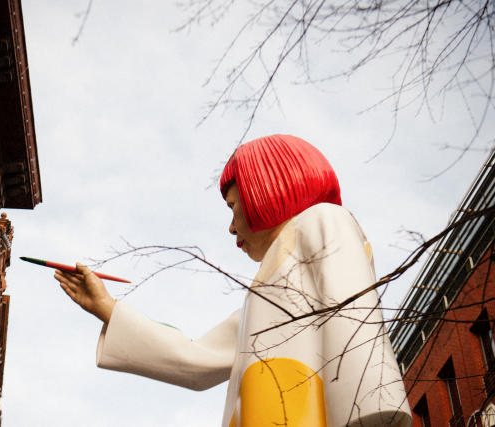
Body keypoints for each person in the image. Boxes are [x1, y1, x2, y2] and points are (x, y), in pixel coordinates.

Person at [55, 134, 412, 427]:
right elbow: (197, 358)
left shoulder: (324, 220)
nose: (230, 226)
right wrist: (108, 308)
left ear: (265, 186)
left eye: (231, 205)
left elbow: (352, 317)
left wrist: (373, 410)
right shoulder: (265, 292)